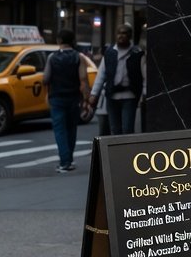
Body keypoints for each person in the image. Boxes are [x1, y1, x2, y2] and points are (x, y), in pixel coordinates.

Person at [44, 29, 90, 173]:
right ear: (72, 41)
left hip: (57, 98)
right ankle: (68, 160)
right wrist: (86, 100)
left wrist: (48, 91)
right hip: (73, 98)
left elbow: (45, 78)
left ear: (59, 41)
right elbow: (83, 80)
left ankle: (65, 162)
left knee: (60, 131)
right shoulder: (79, 57)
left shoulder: (52, 57)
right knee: (71, 129)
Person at [88, 23, 146, 135]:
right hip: (112, 96)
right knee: (114, 129)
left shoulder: (137, 53)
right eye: (119, 33)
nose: (121, 36)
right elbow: (101, 74)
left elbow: (144, 76)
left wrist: (144, 94)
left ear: (130, 35)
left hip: (130, 95)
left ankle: (127, 152)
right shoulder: (109, 53)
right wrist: (94, 94)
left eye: (124, 33)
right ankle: (117, 152)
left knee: (127, 129)